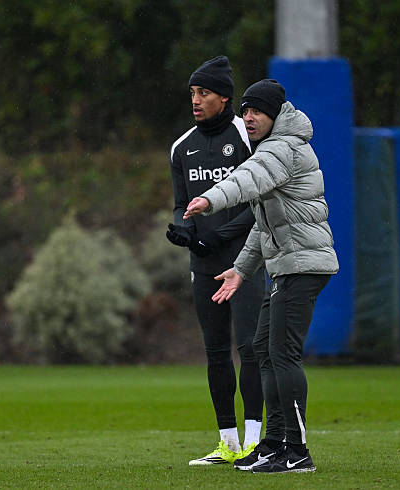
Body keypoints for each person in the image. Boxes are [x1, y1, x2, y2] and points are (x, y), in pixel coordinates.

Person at [184, 79, 339, 474]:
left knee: (282, 354)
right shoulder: (273, 147)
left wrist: (210, 198)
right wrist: (241, 270)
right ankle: (274, 444)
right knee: (264, 351)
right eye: (246, 111)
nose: (249, 118)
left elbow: (245, 179)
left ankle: (297, 450)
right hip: (289, 266)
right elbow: (262, 226)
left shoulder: (282, 149)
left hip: (302, 266)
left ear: (274, 114)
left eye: (257, 111)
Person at [167, 55, 266, 466]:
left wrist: (220, 235)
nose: (195, 99)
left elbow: (260, 200)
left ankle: (257, 443)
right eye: (192, 92)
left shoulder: (247, 135)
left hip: (245, 260)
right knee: (216, 351)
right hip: (204, 261)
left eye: (204, 92)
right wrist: (184, 229)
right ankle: (228, 443)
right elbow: (181, 204)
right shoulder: (181, 147)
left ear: (224, 97)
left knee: (251, 347)